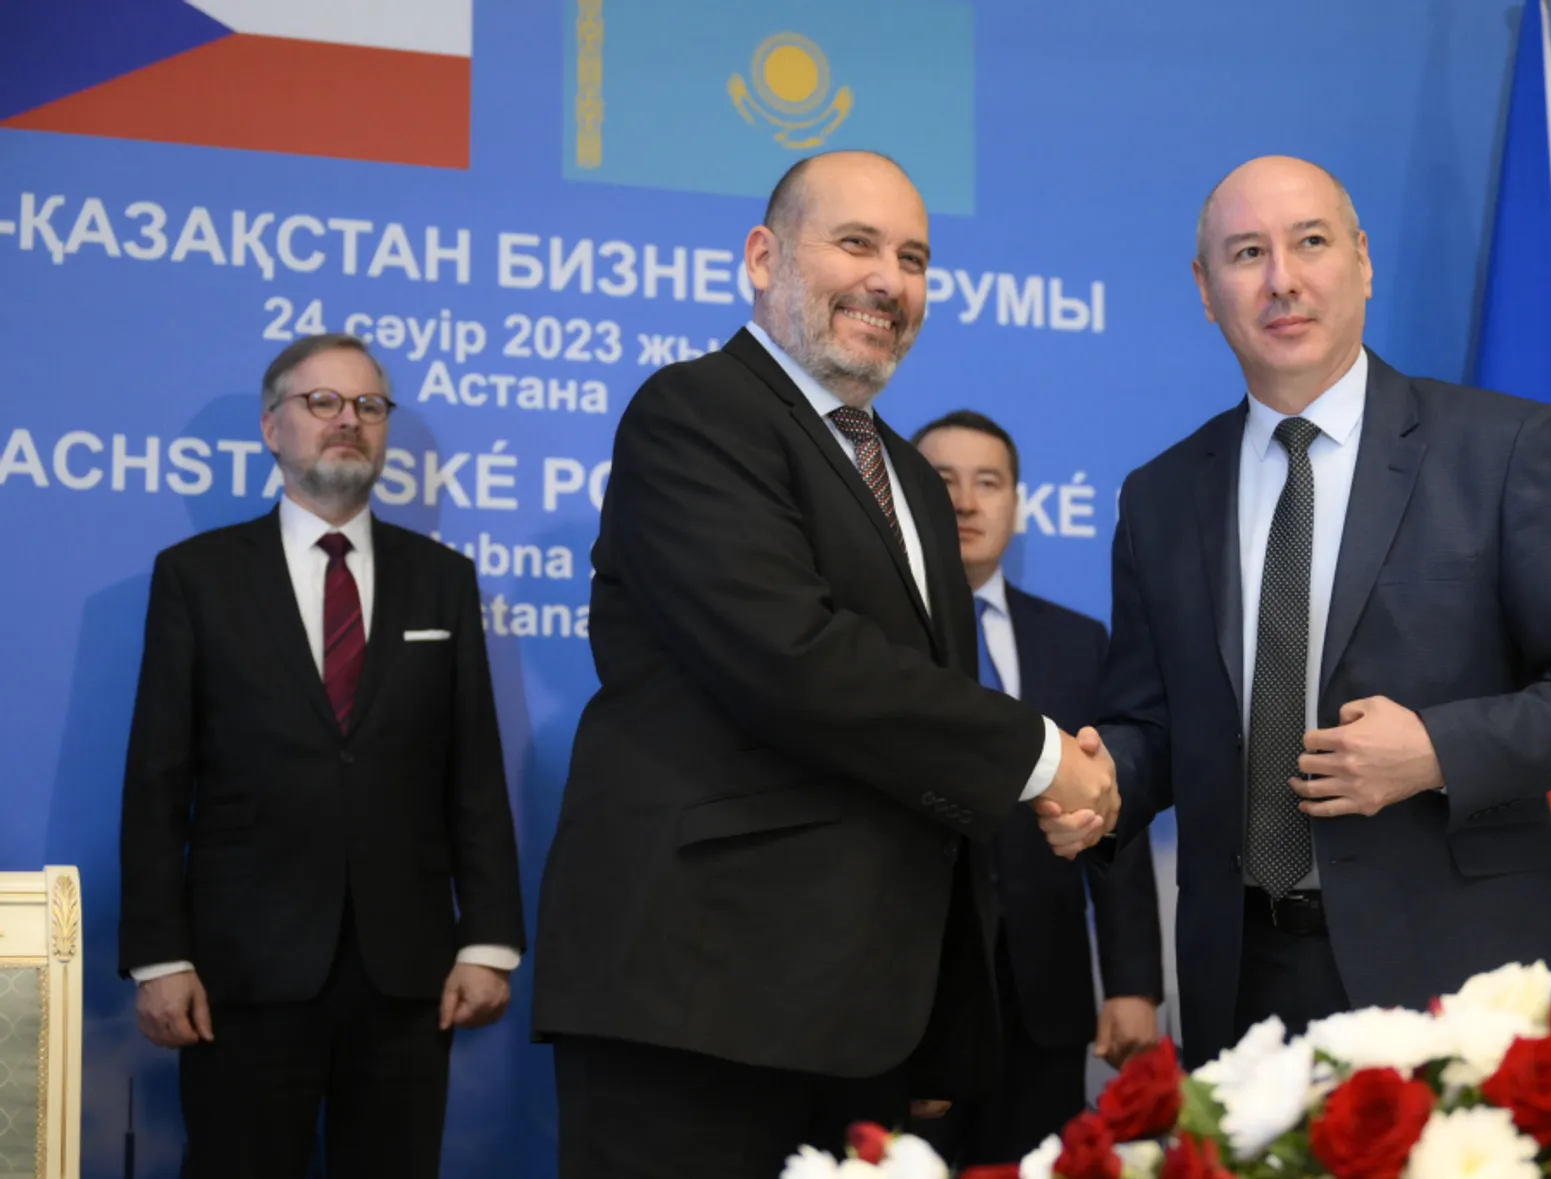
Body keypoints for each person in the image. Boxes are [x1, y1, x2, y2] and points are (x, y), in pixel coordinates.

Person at [531, 151, 1120, 1179]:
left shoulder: (914, 484)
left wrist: (947, 1007)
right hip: (698, 1001)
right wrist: (1036, 757)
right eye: (855, 243)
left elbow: (919, 733)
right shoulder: (695, 413)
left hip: (862, 1023)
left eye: (915, 258)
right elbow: (793, 661)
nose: (889, 281)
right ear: (763, 257)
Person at [1093, 156, 1551, 1069]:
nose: (1282, 278)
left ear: (1361, 261)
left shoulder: (1504, 448)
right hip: (1241, 979)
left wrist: (1438, 750)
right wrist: (1097, 776)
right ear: (1207, 291)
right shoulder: (1160, 496)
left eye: (1310, 243)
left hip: (1457, 968)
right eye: (1246, 254)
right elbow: (1156, 728)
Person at [119, 333, 527, 1178]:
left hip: (406, 974)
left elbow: (474, 777)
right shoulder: (196, 577)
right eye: (323, 403)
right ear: (273, 428)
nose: (349, 421)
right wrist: (161, 956)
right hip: (242, 974)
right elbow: (157, 780)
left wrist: (488, 940)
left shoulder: (443, 581)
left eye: (368, 406)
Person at [909, 410, 1164, 1166]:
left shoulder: (1077, 641)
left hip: (1044, 999)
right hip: (910, 1002)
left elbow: (1115, 816)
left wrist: (1133, 981)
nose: (965, 502)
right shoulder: (864, 641)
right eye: (941, 482)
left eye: (987, 482)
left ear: (1017, 503)